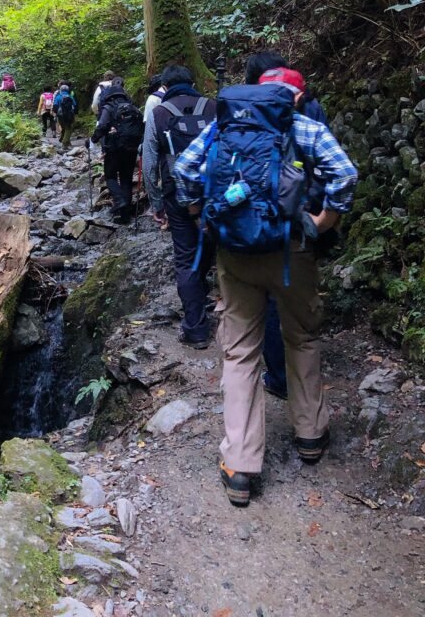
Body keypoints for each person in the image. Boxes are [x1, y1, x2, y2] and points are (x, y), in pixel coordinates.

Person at [174, 73, 357, 507]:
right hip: (293, 251)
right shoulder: (302, 127)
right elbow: (345, 174)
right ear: (293, 96)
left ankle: (240, 465)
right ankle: (310, 435)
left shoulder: (224, 126)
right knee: (302, 337)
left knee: (239, 352)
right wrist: (322, 222)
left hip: (235, 253)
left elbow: (183, 170)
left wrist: (204, 216)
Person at [245, 53, 330, 401]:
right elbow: (335, 171)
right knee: (297, 303)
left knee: (265, 301)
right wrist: (322, 218)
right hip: (302, 221)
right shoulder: (311, 110)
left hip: (257, 220)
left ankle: (278, 376)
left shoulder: (244, 112)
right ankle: (307, 402)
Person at [142, 65, 217, 346]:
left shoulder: (159, 113)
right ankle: (204, 294)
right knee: (209, 246)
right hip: (213, 192)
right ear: (193, 82)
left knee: (185, 257)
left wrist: (156, 203)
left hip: (176, 194)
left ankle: (196, 329)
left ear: (165, 85)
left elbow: (149, 161)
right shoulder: (213, 107)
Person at [90, 77, 143, 223]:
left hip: (115, 148)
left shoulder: (109, 107)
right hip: (132, 148)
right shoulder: (133, 108)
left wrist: (93, 139)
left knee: (110, 176)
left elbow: (102, 126)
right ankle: (125, 216)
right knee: (126, 178)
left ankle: (120, 200)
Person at [53, 81, 77, 148]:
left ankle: (65, 141)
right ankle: (64, 142)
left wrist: (56, 113)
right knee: (68, 128)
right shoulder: (70, 96)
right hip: (69, 115)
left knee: (63, 128)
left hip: (60, 115)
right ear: (67, 90)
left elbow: (55, 106)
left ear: (61, 89)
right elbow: (74, 105)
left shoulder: (58, 97)